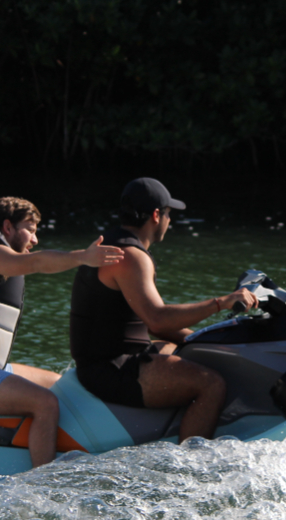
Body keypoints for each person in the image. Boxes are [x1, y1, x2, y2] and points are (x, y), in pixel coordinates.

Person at [0, 196, 124, 467]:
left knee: (64, 385)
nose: (35, 239)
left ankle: (62, 446)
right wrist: (84, 257)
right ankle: (42, 480)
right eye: (31, 229)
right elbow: (37, 262)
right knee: (45, 403)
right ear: (8, 227)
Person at [69, 178, 258, 441]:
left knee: (196, 352)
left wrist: (202, 339)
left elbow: (143, 320)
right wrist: (221, 302)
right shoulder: (130, 257)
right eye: (169, 214)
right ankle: (189, 467)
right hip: (110, 370)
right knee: (211, 384)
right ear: (156, 215)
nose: (169, 221)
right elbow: (157, 319)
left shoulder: (112, 245)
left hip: (114, 358)